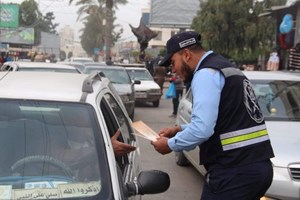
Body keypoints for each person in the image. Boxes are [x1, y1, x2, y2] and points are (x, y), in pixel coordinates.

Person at [151, 31, 274, 200]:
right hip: (259, 167)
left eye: (173, 62)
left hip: (234, 171)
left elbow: (202, 130)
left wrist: (171, 144)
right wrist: (180, 128)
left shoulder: (205, 74)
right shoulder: (226, 67)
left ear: (186, 54)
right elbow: (225, 119)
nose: (173, 70)